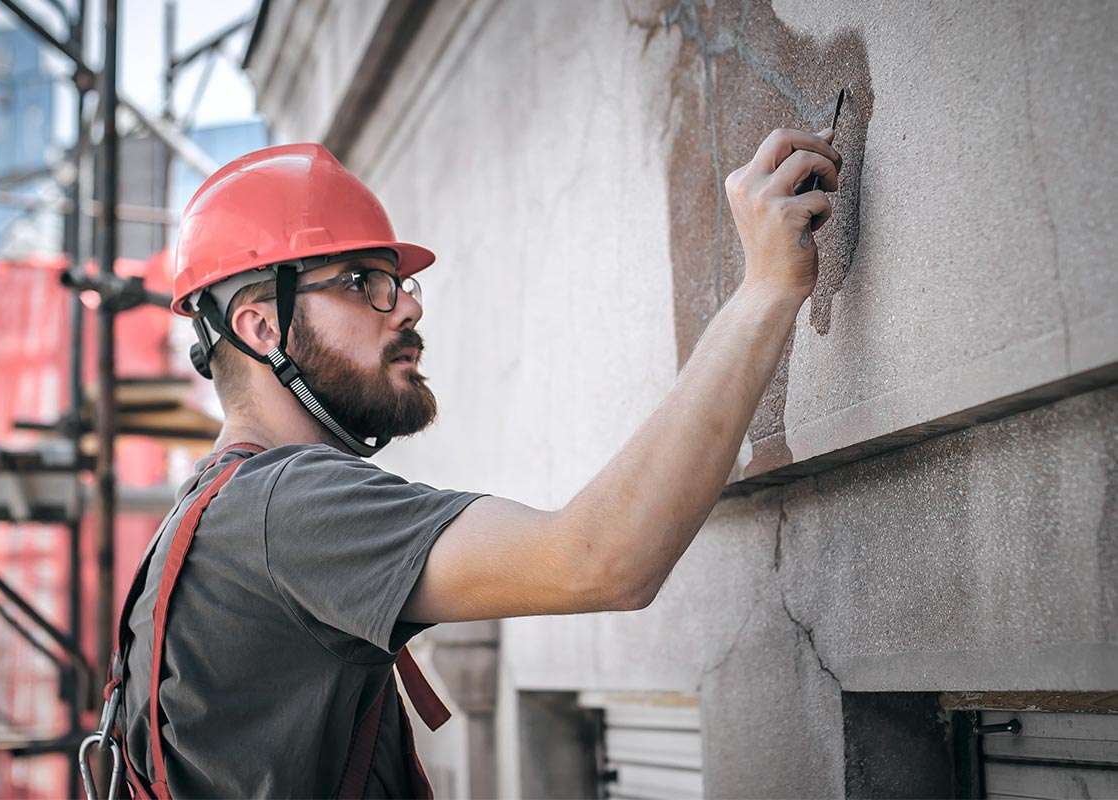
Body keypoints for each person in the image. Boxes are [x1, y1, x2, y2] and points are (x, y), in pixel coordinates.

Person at [109, 129, 841, 799]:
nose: (406, 309)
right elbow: (601, 559)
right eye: (363, 282)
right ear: (262, 325)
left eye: (397, 281)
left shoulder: (204, 518)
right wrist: (766, 288)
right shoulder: (289, 508)